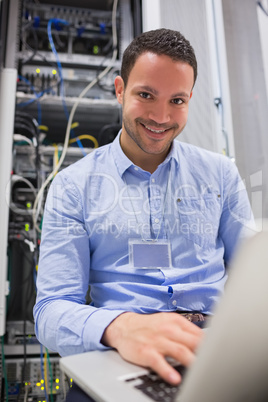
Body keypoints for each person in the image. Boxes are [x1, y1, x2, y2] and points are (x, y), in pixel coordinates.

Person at [33, 28, 254, 391]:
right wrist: (119, 327)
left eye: (177, 101)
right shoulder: (73, 186)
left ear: (190, 99)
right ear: (120, 90)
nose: (161, 116)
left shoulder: (221, 174)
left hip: (214, 343)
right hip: (124, 345)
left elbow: (252, 272)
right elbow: (51, 310)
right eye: (146, 95)